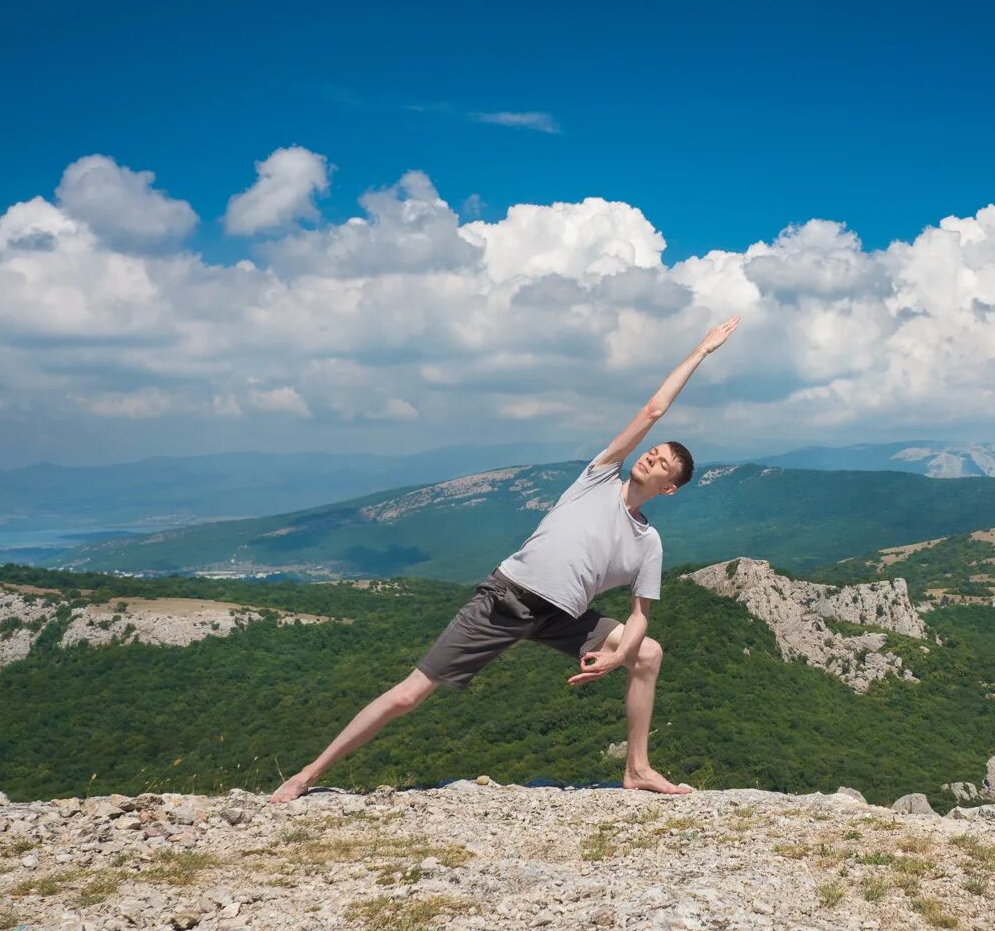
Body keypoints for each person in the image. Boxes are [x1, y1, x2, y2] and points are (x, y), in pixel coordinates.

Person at [269, 315, 740, 803]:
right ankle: (307, 774)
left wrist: (618, 655)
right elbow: (652, 410)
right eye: (655, 451)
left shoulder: (649, 542)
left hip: (564, 616)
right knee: (410, 694)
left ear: (668, 488)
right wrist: (700, 352)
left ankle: (638, 768)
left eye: (663, 463)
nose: (652, 457)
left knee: (649, 653)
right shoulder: (598, 477)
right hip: (507, 599)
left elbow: (641, 614)